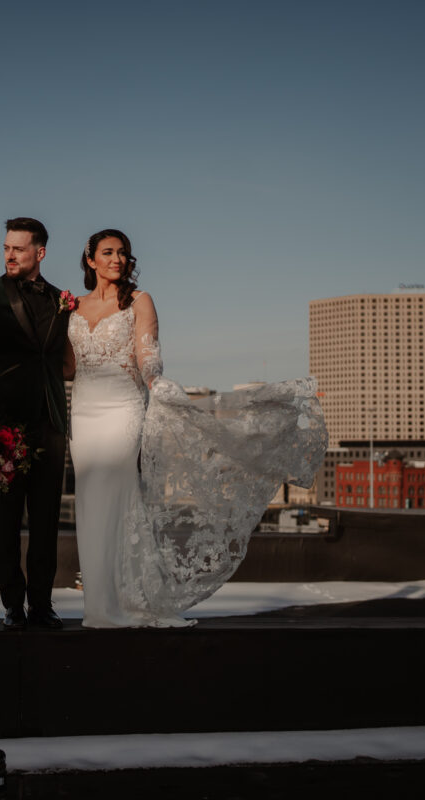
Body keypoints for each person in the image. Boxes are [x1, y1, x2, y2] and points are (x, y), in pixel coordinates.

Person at [66, 229, 328, 628]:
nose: (117, 259)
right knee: (89, 496)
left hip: (123, 407)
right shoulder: (72, 305)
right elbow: (68, 366)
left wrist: (157, 382)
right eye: (108, 252)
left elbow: (147, 354)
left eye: (123, 253)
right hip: (83, 410)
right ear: (90, 260)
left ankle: (120, 602)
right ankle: (98, 606)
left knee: (115, 491)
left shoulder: (139, 300)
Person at [0, 217, 70, 629]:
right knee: (5, 519)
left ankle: (42, 604)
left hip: (51, 422)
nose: (9, 254)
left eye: (18, 248)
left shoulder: (61, 299)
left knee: (46, 520)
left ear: (39, 252)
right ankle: (12, 605)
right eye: (6, 247)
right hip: (2, 422)